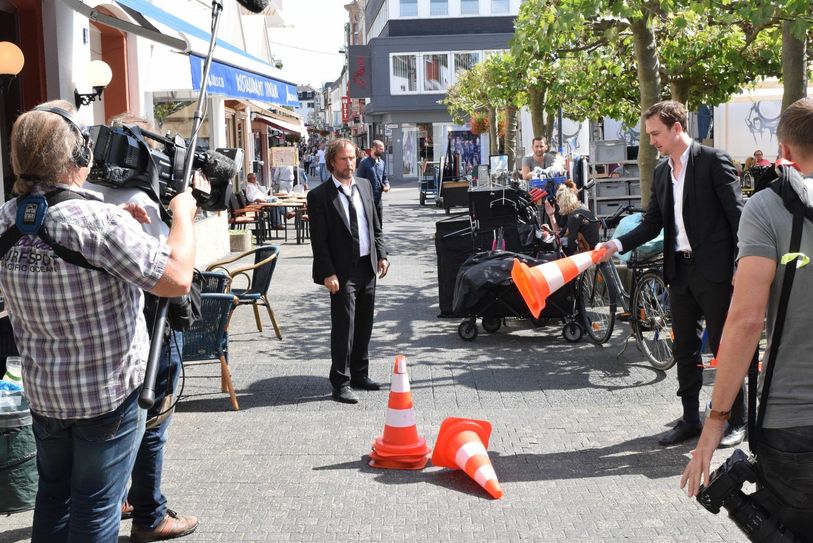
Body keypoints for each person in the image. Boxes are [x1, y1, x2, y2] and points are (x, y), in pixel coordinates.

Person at [0, 100, 197, 542]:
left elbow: (55, 241)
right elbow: (178, 279)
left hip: (46, 395)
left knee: (54, 501)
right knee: (95, 509)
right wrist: (183, 215)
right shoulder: (99, 225)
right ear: (79, 158)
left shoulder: (7, 220)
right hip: (106, 397)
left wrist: (116, 225)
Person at [681, 97, 813, 540]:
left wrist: (714, 426)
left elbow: (745, 321)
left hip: (794, 421)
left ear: (785, 151)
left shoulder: (768, 209)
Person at [596, 100, 747, 447]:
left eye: (655, 133)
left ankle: (738, 421)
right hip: (680, 272)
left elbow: (739, 217)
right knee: (685, 350)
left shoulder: (713, 161)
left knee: (727, 349)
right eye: (649, 134)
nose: (651, 141)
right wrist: (616, 244)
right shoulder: (663, 172)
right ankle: (690, 419)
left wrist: (741, 264)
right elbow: (652, 223)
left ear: (677, 128)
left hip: (717, 273)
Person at [84, 113, 198, 542]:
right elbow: (173, 271)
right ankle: (149, 513)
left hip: (100, 333)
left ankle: (124, 500)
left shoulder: (83, 195)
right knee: (152, 424)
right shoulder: (144, 200)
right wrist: (182, 216)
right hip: (152, 325)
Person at [307, 139, 389, 404]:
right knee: (344, 327)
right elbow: (318, 241)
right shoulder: (319, 196)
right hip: (341, 272)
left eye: (352, 158)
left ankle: (359, 375)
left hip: (367, 265)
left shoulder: (364, 186)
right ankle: (340, 383)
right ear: (332, 161)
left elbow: (375, 224)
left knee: (365, 324)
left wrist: (382, 253)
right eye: (344, 159)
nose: (350, 164)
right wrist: (327, 272)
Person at [544, 183, 599, 255]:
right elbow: (561, 234)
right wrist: (551, 215)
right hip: (592, 249)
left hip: (588, 252)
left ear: (564, 202)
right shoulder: (580, 208)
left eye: (558, 202)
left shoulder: (575, 217)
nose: (557, 205)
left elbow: (571, 247)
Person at [356, 139, 390, 223]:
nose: (383, 150)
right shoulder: (364, 163)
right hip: (368, 200)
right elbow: (358, 181)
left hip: (378, 199)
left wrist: (387, 185)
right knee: (370, 224)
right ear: (374, 148)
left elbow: (385, 178)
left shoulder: (382, 163)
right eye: (381, 148)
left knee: (379, 223)